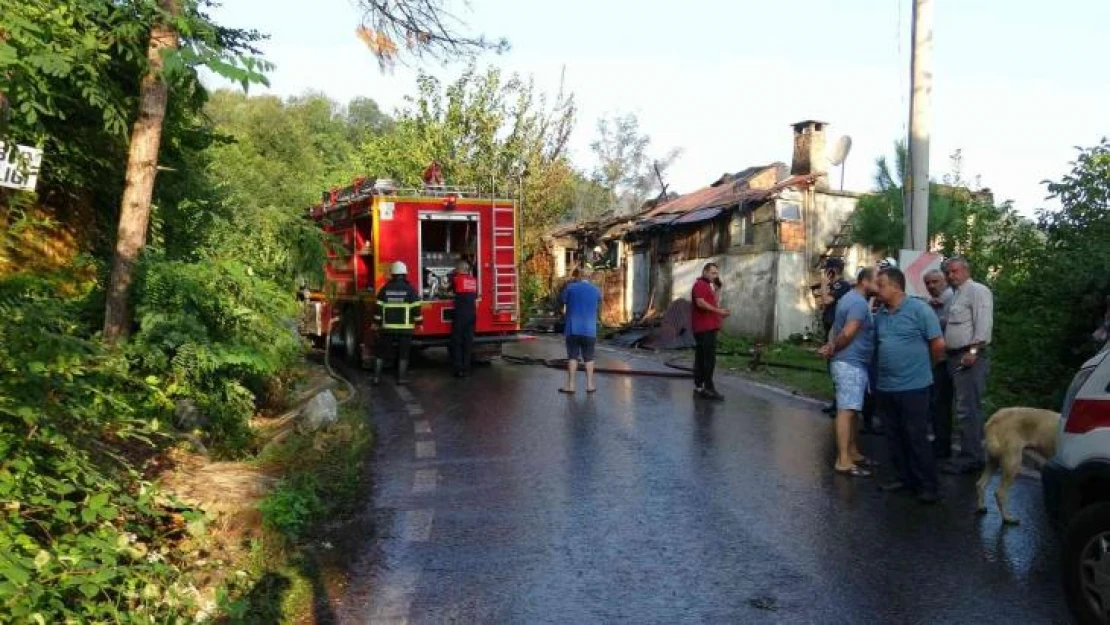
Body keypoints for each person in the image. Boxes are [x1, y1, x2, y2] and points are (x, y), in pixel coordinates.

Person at [873, 267, 947, 504]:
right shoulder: (881, 315)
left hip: (914, 387)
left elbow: (938, 345)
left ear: (896, 286)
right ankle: (903, 478)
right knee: (893, 436)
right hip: (886, 387)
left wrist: (926, 370)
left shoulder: (919, 310)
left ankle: (927, 485)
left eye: (881, 285)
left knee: (916, 436)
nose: (877, 289)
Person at [819, 267, 877, 477]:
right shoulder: (858, 303)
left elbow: (836, 327)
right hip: (849, 362)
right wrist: (833, 348)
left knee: (852, 410)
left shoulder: (850, 299)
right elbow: (848, 331)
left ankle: (853, 452)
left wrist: (831, 345)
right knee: (846, 410)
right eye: (876, 281)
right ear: (864, 282)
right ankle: (843, 459)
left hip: (852, 362)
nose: (880, 286)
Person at [941, 256, 994, 475]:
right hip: (954, 357)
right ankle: (967, 454)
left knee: (968, 409)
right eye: (948, 272)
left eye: (955, 271)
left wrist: (973, 351)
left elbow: (983, 323)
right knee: (961, 407)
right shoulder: (956, 295)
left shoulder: (977, 290)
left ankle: (971, 457)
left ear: (966, 270)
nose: (951, 275)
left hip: (969, 357)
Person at [372, 261, 423, 386]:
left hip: (387, 328)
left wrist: (376, 323)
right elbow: (416, 308)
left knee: (381, 352)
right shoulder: (410, 290)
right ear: (404, 274)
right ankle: (401, 378)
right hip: (405, 329)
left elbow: (378, 309)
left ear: (392, 274)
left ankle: (376, 377)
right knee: (403, 353)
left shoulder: (384, 289)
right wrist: (419, 323)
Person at [924, 267, 955, 459]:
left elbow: (950, 322)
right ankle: (938, 440)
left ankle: (944, 445)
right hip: (934, 359)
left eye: (935, 282)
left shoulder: (952, 299)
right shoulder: (930, 303)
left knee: (942, 402)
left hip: (946, 358)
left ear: (944, 281)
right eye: (928, 283)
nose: (931, 286)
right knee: (936, 403)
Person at [559, 267, 602, 394]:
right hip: (589, 329)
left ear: (579, 276)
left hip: (573, 328)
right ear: (590, 277)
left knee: (572, 357)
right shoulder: (596, 290)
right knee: (589, 357)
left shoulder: (571, 288)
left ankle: (571, 386)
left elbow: (563, 300)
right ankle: (589, 385)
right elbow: (599, 302)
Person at [692, 262, 730, 401]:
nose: (715, 276)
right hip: (704, 327)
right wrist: (719, 311)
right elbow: (700, 303)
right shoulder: (700, 285)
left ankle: (699, 385)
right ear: (705, 272)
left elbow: (712, 302)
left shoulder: (707, 286)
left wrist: (718, 289)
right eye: (713, 273)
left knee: (702, 357)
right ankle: (708, 387)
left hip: (708, 326)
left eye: (717, 274)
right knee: (708, 359)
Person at [820, 258, 853, 415]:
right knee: (832, 367)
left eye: (827, 269)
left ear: (833, 270)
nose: (825, 272)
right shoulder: (834, 286)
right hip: (830, 329)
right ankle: (836, 402)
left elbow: (826, 300)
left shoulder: (841, 285)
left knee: (837, 366)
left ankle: (841, 405)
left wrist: (823, 284)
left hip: (836, 331)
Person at [449, 260, 478, 378]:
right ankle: (466, 368)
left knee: (457, 342)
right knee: (468, 342)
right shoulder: (473, 280)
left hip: (460, 315)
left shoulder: (457, 279)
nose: (455, 271)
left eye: (456, 269)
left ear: (460, 270)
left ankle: (458, 369)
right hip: (471, 315)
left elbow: (448, 289)